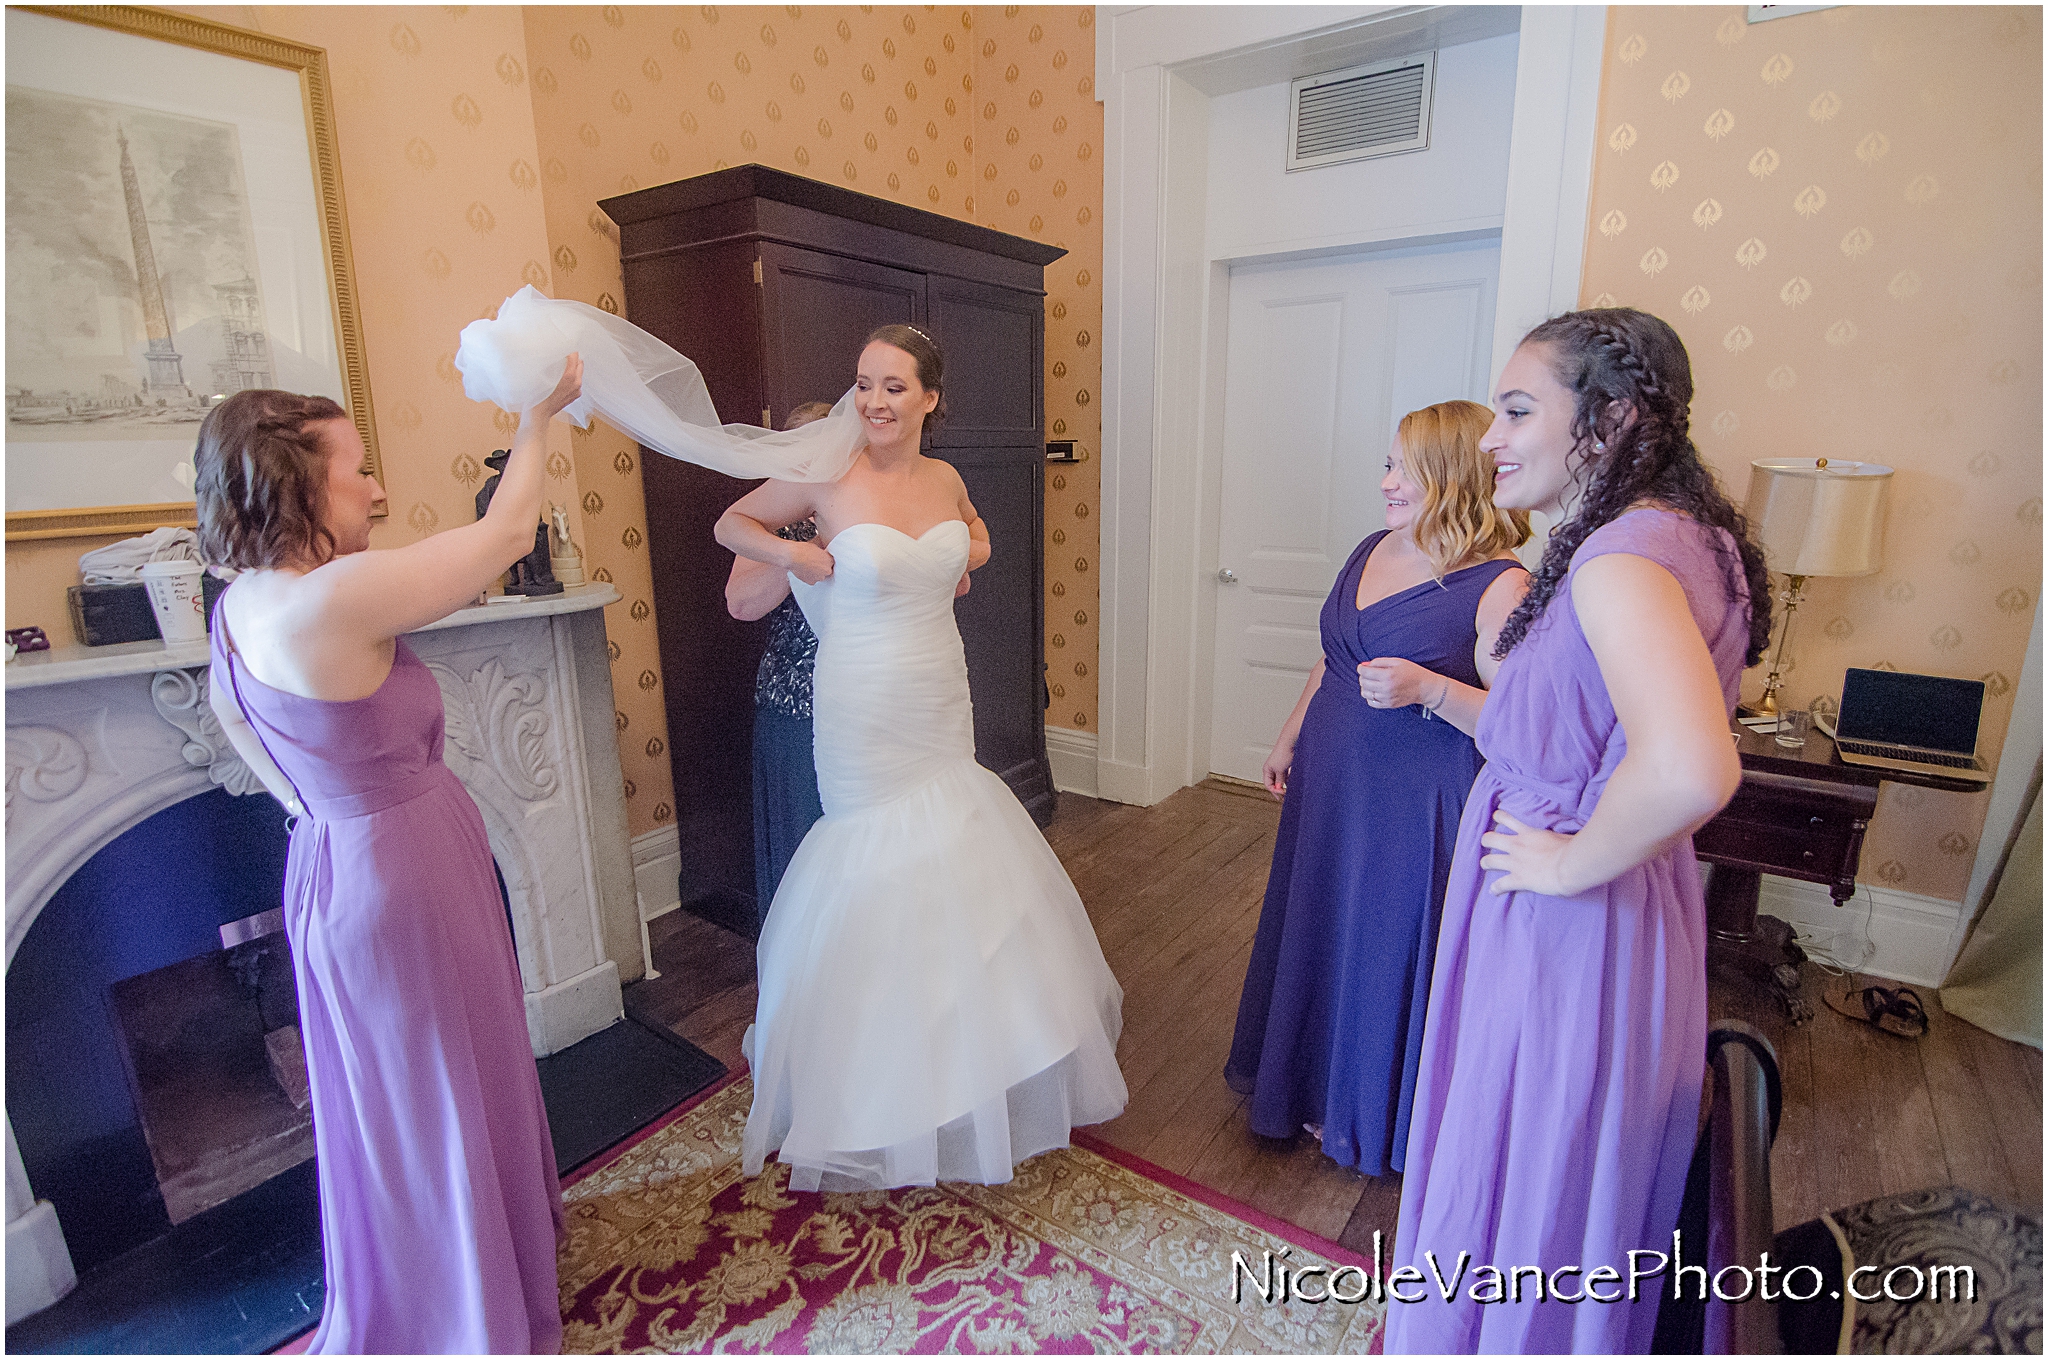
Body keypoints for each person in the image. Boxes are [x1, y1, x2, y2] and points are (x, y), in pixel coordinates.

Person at [1384, 310, 1769, 1354]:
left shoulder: (1616, 559)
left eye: (1515, 410)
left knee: (1527, 1163)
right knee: (1550, 1170)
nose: (1491, 438)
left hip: (1567, 924)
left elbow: (1690, 765)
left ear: (1609, 419)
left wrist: (1563, 864)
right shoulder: (1670, 537)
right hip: (1612, 906)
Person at [197, 358, 586, 1353]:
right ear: (296, 487)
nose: (377, 489)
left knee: (395, 1104)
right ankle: (476, 1309)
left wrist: (327, 812)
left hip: (330, 862)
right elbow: (504, 536)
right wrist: (538, 415)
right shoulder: (330, 599)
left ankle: (445, 1286)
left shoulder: (235, 606)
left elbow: (236, 729)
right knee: (449, 1084)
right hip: (405, 871)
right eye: (357, 470)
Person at [713, 324, 1127, 1191]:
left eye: (894, 386)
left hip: (939, 688)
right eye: (864, 383)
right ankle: (870, 1087)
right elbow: (732, 522)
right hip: (861, 702)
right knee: (877, 863)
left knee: (956, 850)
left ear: (931, 398)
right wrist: (801, 556)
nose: (874, 401)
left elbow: (974, 533)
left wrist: (962, 555)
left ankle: (965, 1069)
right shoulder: (827, 471)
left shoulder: (945, 476)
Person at [1224, 400, 1529, 1175]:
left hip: (1416, 797)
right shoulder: (1371, 548)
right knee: (1319, 919)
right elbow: (1333, 656)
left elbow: (1521, 724)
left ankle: (1371, 1110)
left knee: (1383, 941)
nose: (1386, 481)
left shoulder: (1500, 586)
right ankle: (1299, 1087)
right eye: (1387, 464)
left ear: (1453, 476)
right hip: (1333, 775)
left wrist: (1430, 688)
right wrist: (1291, 734)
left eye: (1403, 467)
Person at [726, 401, 836, 931]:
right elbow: (742, 604)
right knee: (806, 849)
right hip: (797, 709)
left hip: (868, 702)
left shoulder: (865, 506)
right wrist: (806, 551)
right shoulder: (773, 522)